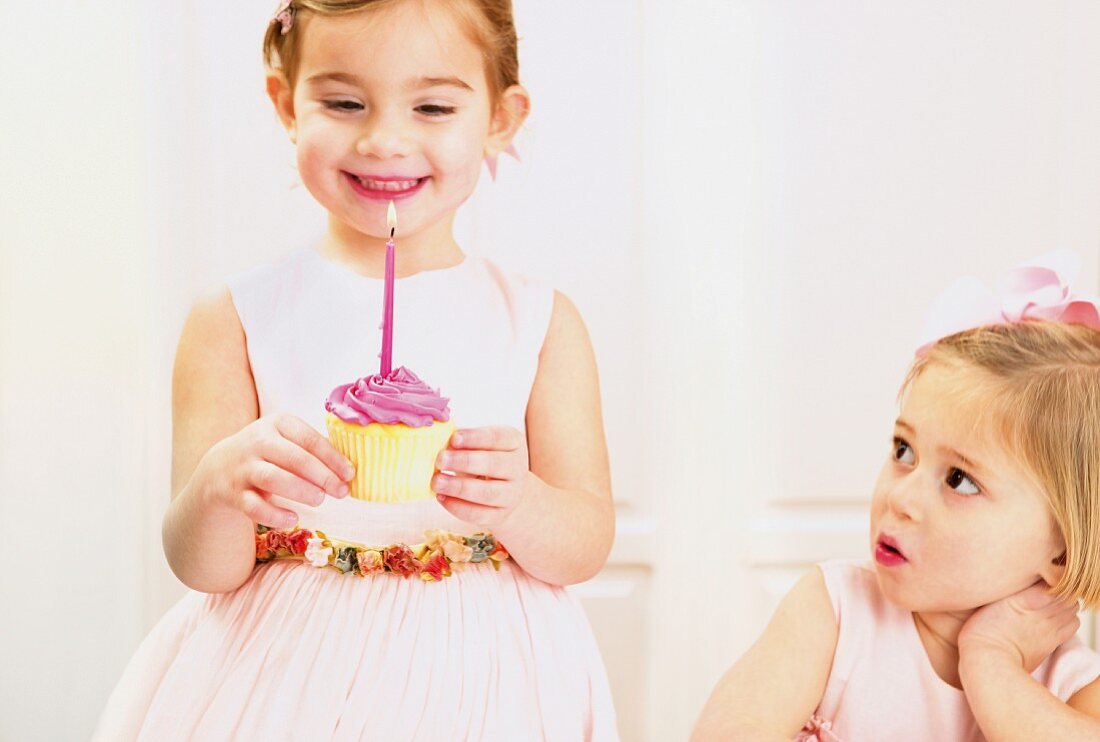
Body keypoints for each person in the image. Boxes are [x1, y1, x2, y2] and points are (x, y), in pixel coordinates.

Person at [94, 1, 618, 738]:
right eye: (343, 102)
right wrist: (218, 488)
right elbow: (202, 567)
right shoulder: (234, 319)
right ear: (286, 102)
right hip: (284, 676)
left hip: (480, 681)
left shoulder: (538, 320)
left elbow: (586, 541)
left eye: (433, 105)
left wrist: (522, 502)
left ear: (501, 118)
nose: (384, 139)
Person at [694, 255, 1100, 741]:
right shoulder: (837, 611)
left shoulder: (1068, 682)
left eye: (960, 480)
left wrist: (991, 662)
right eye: (903, 451)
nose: (901, 496)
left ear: (1062, 553)